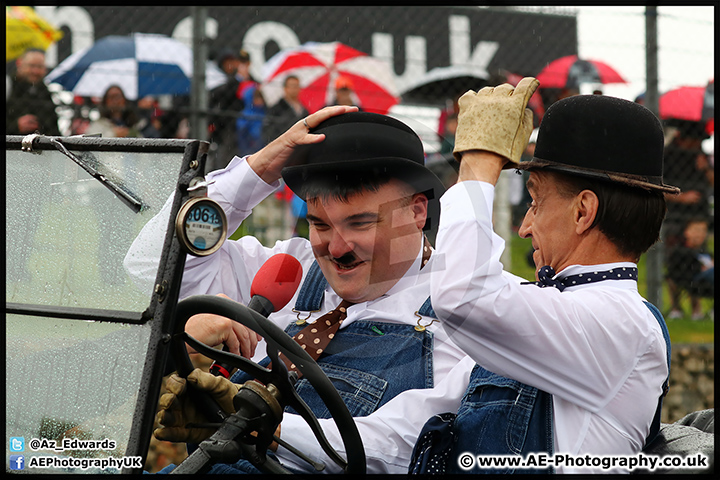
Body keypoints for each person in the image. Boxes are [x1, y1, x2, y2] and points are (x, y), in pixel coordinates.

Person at [123, 106, 475, 474]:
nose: (336, 248)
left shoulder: (464, 304)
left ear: (418, 211)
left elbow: (410, 444)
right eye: (320, 224)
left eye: (359, 223)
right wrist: (259, 169)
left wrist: (266, 428)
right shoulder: (290, 268)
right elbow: (150, 268)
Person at [421, 78, 676, 474]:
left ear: (582, 212)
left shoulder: (621, 322)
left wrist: (478, 162)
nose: (525, 227)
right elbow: (407, 425)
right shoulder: (561, 311)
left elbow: (462, 294)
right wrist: (290, 431)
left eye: (536, 201)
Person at [207, 49, 257, 173]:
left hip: (250, 128)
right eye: (240, 62)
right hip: (230, 127)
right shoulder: (227, 81)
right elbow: (223, 99)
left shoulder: (254, 82)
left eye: (245, 63)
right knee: (225, 160)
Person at [666, 216, 714, 320]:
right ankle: (678, 310)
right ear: (686, 232)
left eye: (703, 231)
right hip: (691, 279)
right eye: (696, 230)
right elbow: (675, 269)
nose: (699, 234)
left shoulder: (704, 251)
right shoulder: (680, 250)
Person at [6, 48, 61, 136]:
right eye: (31, 66)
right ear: (19, 64)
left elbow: (54, 129)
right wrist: (15, 126)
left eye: (40, 67)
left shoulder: (45, 92)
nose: (35, 71)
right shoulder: (9, 87)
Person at [262, 75, 309, 144]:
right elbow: (269, 132)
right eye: (291, 86)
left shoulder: (304, 110)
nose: (294, 89)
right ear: (285, 88)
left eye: (296, 86)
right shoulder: (276, 109)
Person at [235, 84, 266, 155]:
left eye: (261, 98)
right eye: (256, 98)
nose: (260, 101)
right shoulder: (245, 115)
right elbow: (242, 134)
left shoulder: (264, 113)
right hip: (248, 148)